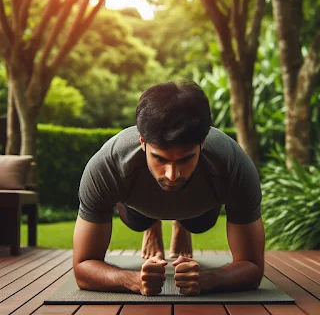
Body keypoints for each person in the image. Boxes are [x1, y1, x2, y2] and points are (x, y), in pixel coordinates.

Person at [73, 81, 265, 296]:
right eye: (159, 158)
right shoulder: (109, 164)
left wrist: (209, 279)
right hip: (139, 206)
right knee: (140, 222)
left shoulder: (233, 165)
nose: (172, 175)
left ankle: (179, 224)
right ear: (142, 141)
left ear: (202, 142)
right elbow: (82, 267)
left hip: (200, 208)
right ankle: (152, 224)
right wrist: (134, 280)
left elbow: (253, 267)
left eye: (185, 159)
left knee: (199, 224)